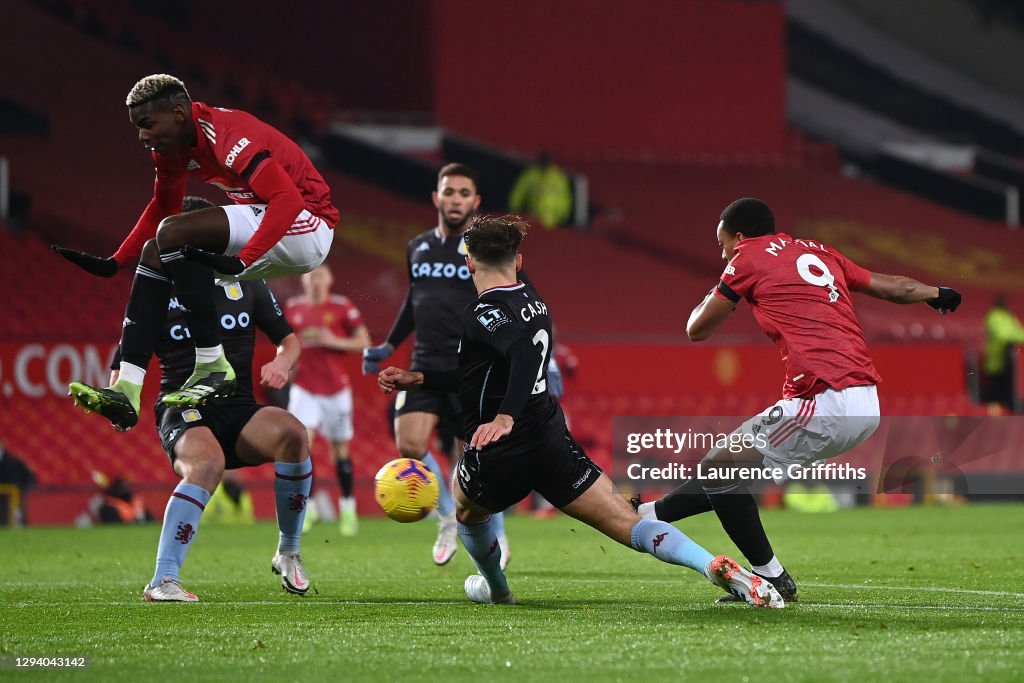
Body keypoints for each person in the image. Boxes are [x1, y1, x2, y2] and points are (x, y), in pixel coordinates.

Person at [378, 214, 783, 608]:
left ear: (469, 263)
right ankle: (710, 563)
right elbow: (486, 373)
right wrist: (421, 379)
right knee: (629, 524)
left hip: (501, 451)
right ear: (518, 262)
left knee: (465, 508)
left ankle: (497, 589)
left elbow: (521, 356)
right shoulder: (535, 303)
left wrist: (504, 417)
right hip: (550, 441)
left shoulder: (482, 312)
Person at [632, 197, 962, 603]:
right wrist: (936, 292)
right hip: (866, 402)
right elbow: (896, 287)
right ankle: (648, 516)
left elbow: (696, 329)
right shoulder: (819, 251)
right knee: (725, 471)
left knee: (719, 468)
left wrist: (720, 287)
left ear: (739, 237)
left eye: (722, 245)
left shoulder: (747, 257)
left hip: (824, 398)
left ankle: (771, 578)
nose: (722, 254)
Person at [55, 73, 338, 432]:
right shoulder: (170, 149)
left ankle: (211, 363)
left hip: (308, 224)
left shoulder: (229, 134)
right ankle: (127, 388)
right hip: (271, 226)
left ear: (178, 114)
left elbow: (287, 199)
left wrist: (244, 258)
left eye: (146, 124)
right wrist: (116, 262)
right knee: (155, 254)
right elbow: (164, 206)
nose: (142, 135)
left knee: (172, 234)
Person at [107, 195, 313, 602]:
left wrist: (282, 362)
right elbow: (125, 361)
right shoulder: (157, 289)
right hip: (182, 406)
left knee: (293, 434)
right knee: (208, 463)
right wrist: (119, 400)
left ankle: (288, 552)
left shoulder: (247, 280)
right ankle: (163, 580)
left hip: (237, 407)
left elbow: (289, 341)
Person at [362, 163, 511, 567]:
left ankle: (496, 531)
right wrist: (389, 344)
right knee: (409, 444)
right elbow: (415, 300)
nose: (455, 199)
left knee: (471, 461)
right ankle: (446, 517)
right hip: (423, 363)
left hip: (469, 367)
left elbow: (517, 296)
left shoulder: (486, 250)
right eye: (449, 191)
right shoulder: (418, 247)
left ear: (476, 201)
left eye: (464, 193)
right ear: (436, 198)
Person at [285, 264, 371, 536]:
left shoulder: (342, 307)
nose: (315, 280)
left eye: (320, 275)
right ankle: (308, 507)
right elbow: (285, 343)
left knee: (339, 451)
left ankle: (348, 507)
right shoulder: (293, 308)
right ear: (303, 280)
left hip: (336, 390)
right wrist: (285, 363)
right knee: (301, 445)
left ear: (330, 279)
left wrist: (334, 341)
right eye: (311, 276)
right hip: (304, 388)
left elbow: (364, 341)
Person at [508, 151, 572, 229]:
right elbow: (519, 192)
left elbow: (565, 197)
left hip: (554, 221)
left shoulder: (558, 177)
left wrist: (564, 215)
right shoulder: (531, 174)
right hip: (534, 219)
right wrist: (514, 208)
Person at [981, 295, 1024, 410]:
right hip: (996, 360)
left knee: (1007, 391)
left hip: (1009, 362)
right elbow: (1002, 335)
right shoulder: (993, 316)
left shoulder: (1009, 317)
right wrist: (1015, 337)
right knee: (995, 391)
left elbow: (1019, 332)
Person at [0, 440, 36, 526]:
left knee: (17, 521)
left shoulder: (15, 462)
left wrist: (23, 490)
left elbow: (30, 478)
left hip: (14, 499)